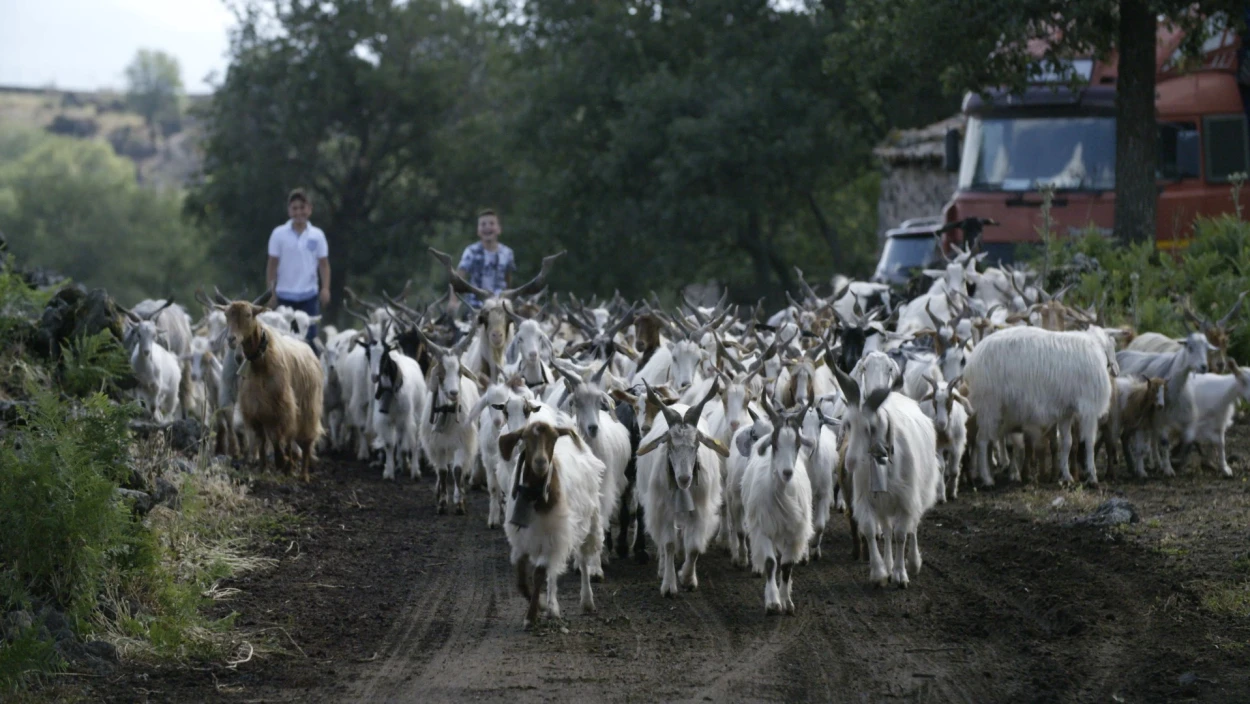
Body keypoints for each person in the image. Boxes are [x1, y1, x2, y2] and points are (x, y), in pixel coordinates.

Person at [266, 188, 330, 346]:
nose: (298, 212)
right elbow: (272, 265)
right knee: (283, 341)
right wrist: (270, 292)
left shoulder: (317, 235)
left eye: (302, 208)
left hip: (309, 296)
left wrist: (325, 288)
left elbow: (323, 265)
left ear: (309, 209)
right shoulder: (279, 234)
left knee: (310, 341)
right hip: (285, 295)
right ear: (289, 211)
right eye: (294, 208)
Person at [451, 208, 516, 314]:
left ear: (499, 229)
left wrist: (509, 300)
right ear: (478, 230)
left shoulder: (507, 253)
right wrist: (453, 301)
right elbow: (458, 276)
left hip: (499, 306)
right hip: (475, 306)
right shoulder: (471, 251)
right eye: (483, 224)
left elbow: (508, 279)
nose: (487, 227)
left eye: (491, 223)